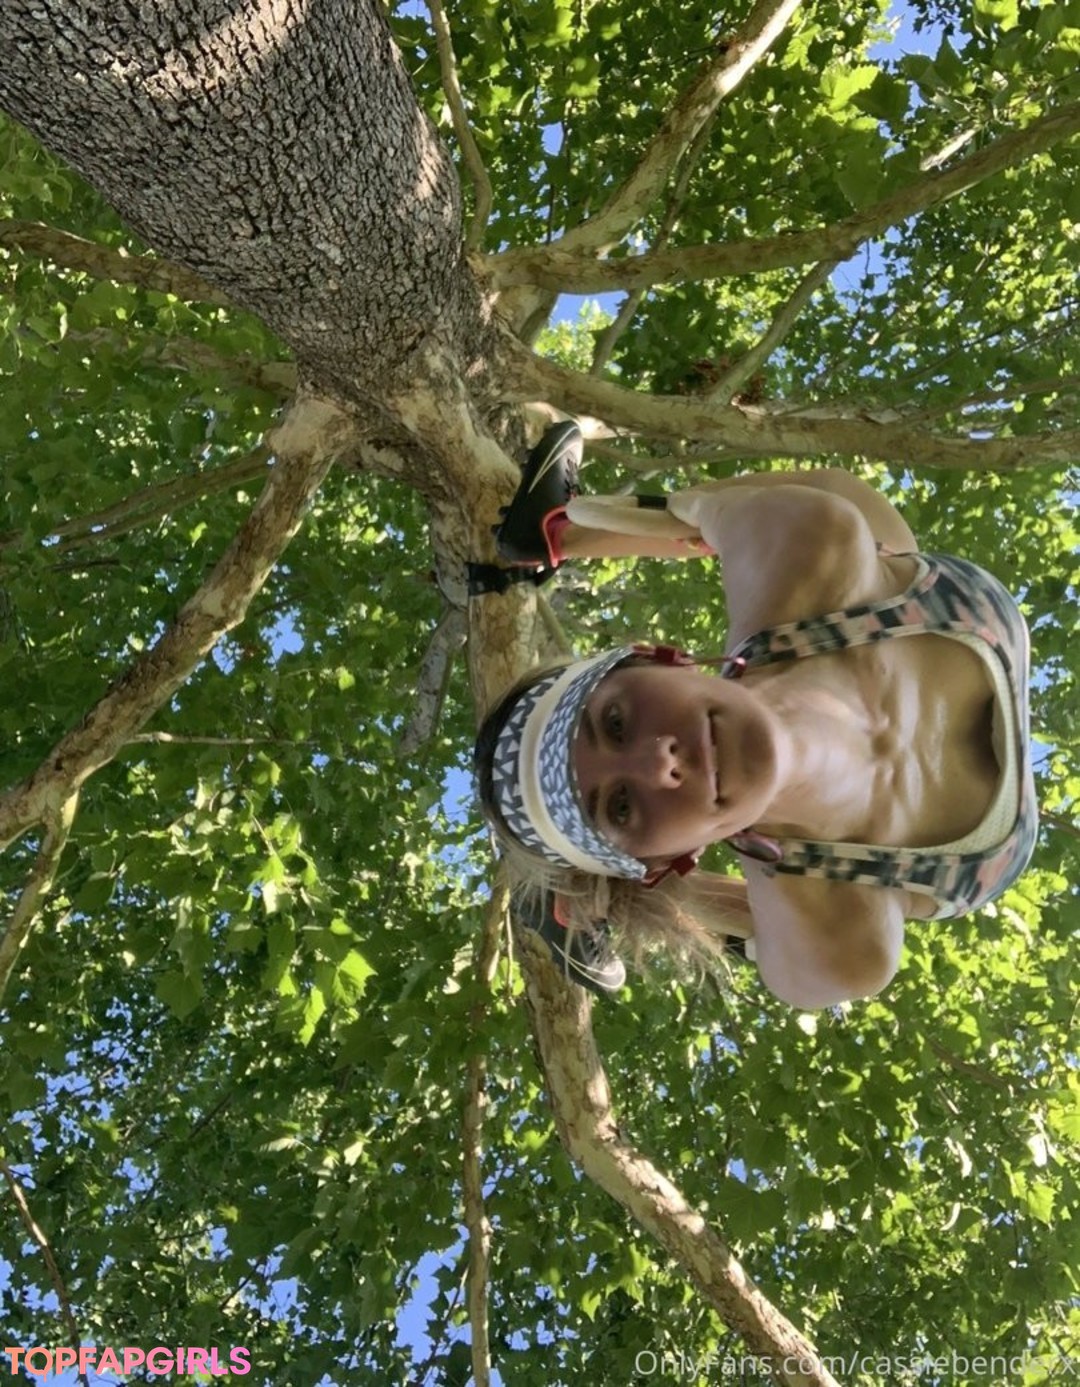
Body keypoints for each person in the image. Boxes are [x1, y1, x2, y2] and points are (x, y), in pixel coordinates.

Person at [475, 423, 1038, 1004]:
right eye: (620, 806)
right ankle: (602, 900)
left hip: (904, 597)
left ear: (659, 658)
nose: (658, 762)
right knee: (773, 937)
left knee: (828, 505)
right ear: (666, 860)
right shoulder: (843, 948)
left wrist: (698, 510)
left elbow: (698, 515)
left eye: (615, 723)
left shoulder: (804, 545)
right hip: (957, 658)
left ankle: (552, 531)